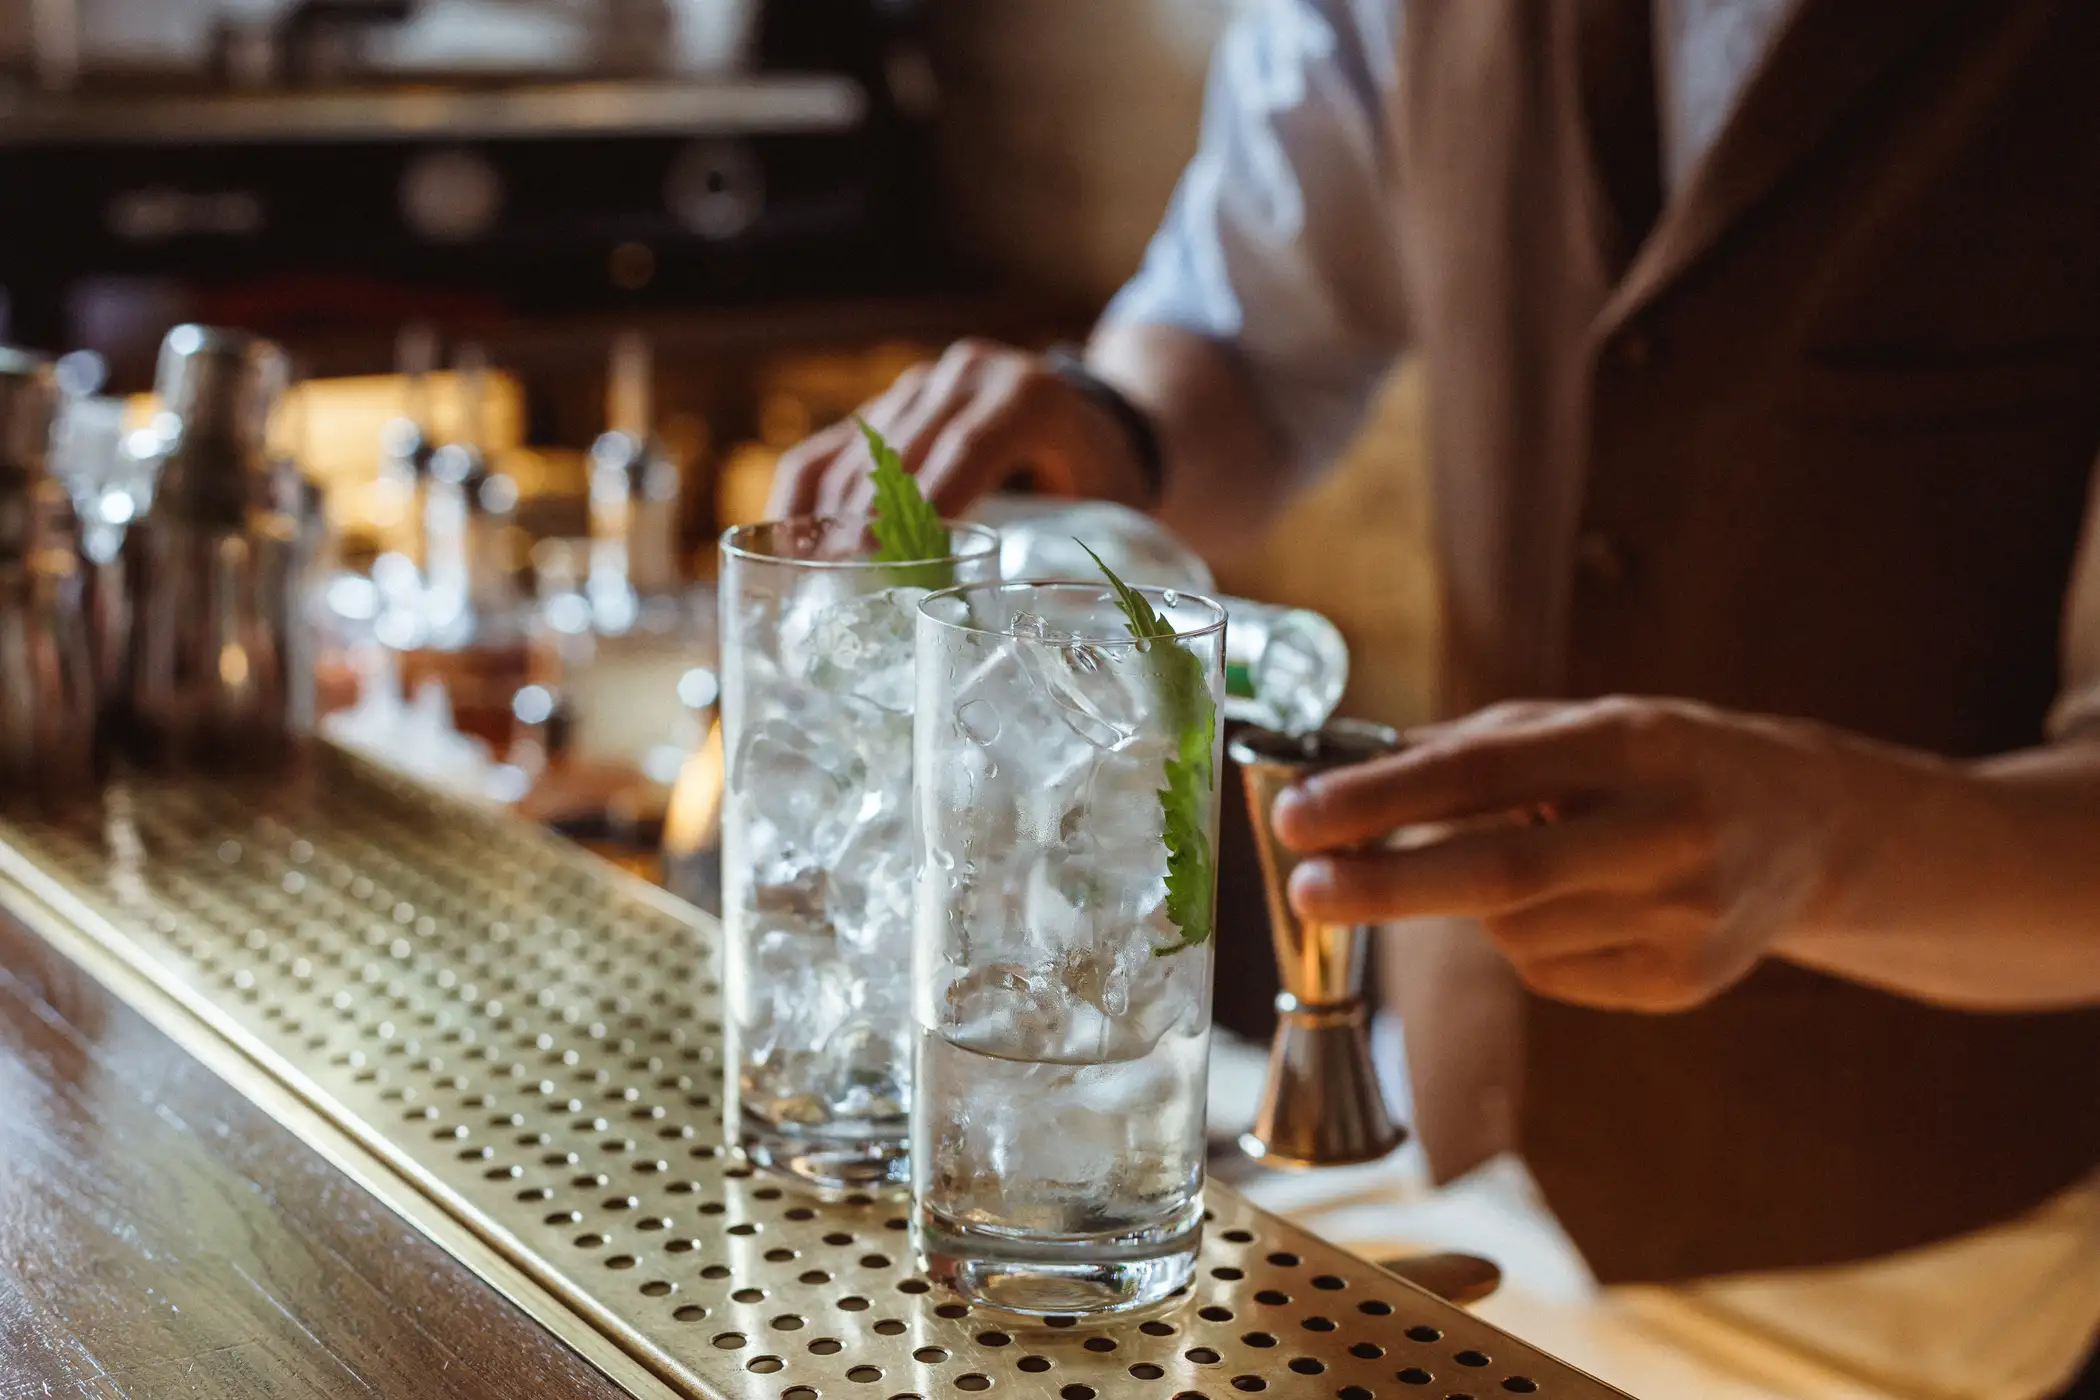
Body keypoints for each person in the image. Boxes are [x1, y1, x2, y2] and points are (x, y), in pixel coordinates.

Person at [771, 2, 2100, 1396]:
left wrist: (1820, 841)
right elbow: (1244, 345)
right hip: (1446, 1138)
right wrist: (1111, 424)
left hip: (1901, 1267)